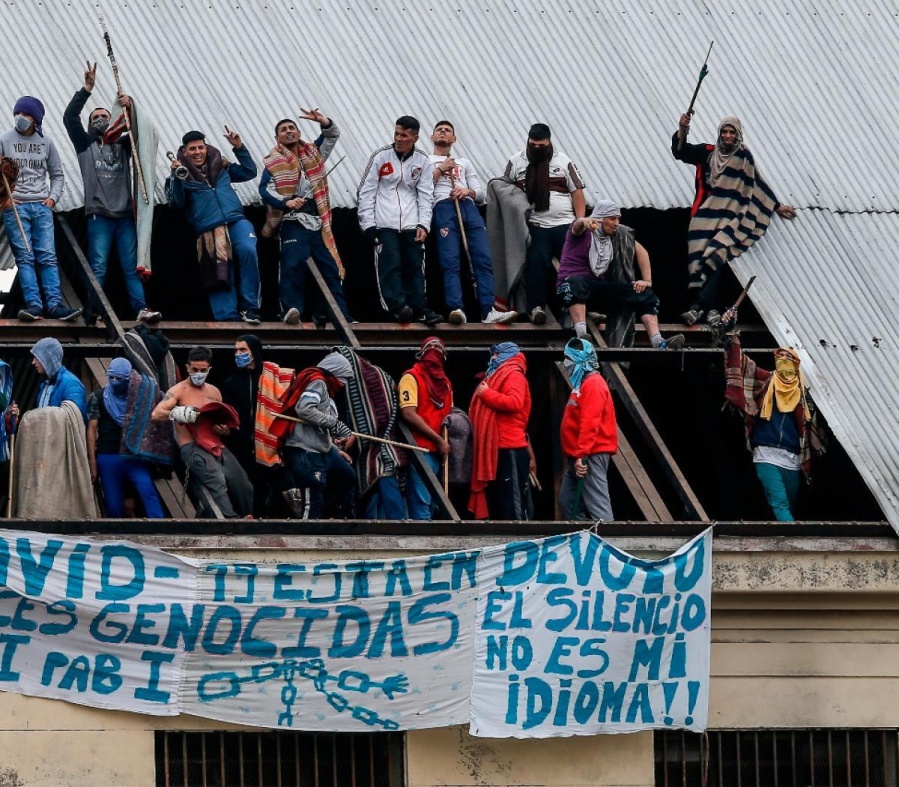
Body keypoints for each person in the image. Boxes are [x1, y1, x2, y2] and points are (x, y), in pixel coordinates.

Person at [673, 114, 796, 326]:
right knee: (699, 260)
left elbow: (756, 182)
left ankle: (698, 308)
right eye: (724, 132)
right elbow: (680, 152)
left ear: (738, 134)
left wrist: (775, 205)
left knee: (718, 254)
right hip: (702, 216)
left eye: (732, 132)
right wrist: (682, 129)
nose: (728, 136)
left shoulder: (743, 156)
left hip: (728, 217)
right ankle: (711, 310)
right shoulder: (707, 152)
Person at [63, 62, 160, 324]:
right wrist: (87, 90)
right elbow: (69, 118)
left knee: (131, 267)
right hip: (99, 215)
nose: (101, 120)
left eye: (104, 116)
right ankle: (93, 311)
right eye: (95, 118)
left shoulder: (123, 143)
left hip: (124, 215)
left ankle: (141, 309)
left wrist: (130, 106)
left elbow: (143, 132)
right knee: (99, 267)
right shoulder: (85, 144)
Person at [722, 310, 824, 521]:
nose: (785, 373)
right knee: (780, 503)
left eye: (789, 368)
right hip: (766, 455)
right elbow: (741, 365)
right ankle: (796, 545)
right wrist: (731, 334)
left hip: (793, 459)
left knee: (787, 505)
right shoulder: (767, 383)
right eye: (781, 367)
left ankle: (786, 535)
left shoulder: (805, 395)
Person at [259, 108, 352, 327]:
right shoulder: (273, 161)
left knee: (329, 267)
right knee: (292, 265)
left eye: (292, 128)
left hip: (317, 221)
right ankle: (291, 311)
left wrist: (324, 121)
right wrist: (287, 202)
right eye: (283, 129)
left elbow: (332, 135)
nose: (289, 132)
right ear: (277, 138)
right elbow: (264, 189)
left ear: (299, 132)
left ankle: (339, 316)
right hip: (293, 221)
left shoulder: (314, 152)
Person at [557, 201, 685, 350]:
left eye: (618, 219)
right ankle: (582, 336)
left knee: (646, 295)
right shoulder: (582, 232)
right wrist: (584, 221)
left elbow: (642, 251)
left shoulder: (616, 236)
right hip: (570, 289)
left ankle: (658, 342)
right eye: (612, 218)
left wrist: (647, 281)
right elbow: (577, 226)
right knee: (576, 283)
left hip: (598, 290)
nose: (616, 223)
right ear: (600, 218)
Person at [166, 129, 261, 324]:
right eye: (192, 149)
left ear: (207, 148)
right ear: (185, 152)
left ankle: (250, 308)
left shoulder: (221, 167)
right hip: (208, 228)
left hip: (236, 220)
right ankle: (227, 318)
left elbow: (250, 171)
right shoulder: (179, 175)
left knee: (248, 250)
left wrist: (239, 147)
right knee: (219, 271)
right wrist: (176, 176)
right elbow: (177, 203)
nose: (198, 152)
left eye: (201, 147)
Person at [0, 96, 81, 322]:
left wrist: (52, 199)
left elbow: (57, 175)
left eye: (26, 115)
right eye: (18, 113)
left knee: (47, 257)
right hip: (17, 207)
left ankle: (55, 305)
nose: (20, 118)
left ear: (35, 119)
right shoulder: (4, 140)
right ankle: (34, 305)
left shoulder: (47, 143)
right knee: (25, 257)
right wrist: (4, 201)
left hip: (42, 207)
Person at [429, 121, 516, 325]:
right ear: (432, 137)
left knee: (483, 259)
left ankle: (488, 310)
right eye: (439, 130)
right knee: (450, 260)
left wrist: (466, 191)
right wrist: (441, 169)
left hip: (467, 207)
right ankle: (456, 307)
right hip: (443, 206)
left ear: (454, 139)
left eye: (448, 130)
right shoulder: (426, 160)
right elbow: (421, 185)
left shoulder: (464, 162)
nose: (443, 132)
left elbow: (480, 194)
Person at [357, 116, 442, 325]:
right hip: (384, 223)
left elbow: (426, 194)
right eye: (396, 133)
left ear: (415, 137)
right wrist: (367, 224)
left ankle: (420, 309)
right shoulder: (380, 156)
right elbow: (365, 192)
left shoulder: (422, 160)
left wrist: (424, 224)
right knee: (390, 264)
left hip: (412, 223)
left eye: (404, 135)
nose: (398, 138)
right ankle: (397, 308)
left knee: (415, 266)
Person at [151, 346, 253, 518]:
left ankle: (247, 516)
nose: (198, 373)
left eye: (203, 370)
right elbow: (156, 413)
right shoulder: (178, 390)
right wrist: (179, 412)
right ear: (187, 368)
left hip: (216, 444)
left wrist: (225, 430)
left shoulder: (214, 392)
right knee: (217, 480)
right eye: (195, 369)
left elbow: (223, 421)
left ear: (209, 370)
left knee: (243, 484)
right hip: (191, 446)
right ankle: (230, 519)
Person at [504, 123, 585, 325]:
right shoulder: (516, 161)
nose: (537, 148)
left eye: (542, 145)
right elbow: (504, 191)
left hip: (565, 224)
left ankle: (579, 308)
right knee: (536, 264)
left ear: (549, 142)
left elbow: (577, 191)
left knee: (575, 267)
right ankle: (536, 308)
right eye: (534, 144)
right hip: (535, 225)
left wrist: (580, 221)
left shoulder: (563, 161)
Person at [271, 352, 357, 519]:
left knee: (348, 477)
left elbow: (317, 424)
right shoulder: (318, 382)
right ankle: (309, 533)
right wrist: (335, 424)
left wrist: (332, 447)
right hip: (305, 448)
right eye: (344, 377)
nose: (343, 383)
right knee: (313, 493)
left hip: (321, 448)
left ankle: (347, 521)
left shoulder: (325, 387)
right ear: (335, 371)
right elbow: (305, 409)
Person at [87, 357, 165, 518]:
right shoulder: (99, 397)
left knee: (148, 492)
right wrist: (92, 460)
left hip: (134, 455)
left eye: (120, 379)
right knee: (113, 503)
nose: (115, 382)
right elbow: (91, 429)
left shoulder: (139, 398)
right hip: (108, 455)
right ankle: (115, 537)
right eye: (112, 377)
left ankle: (161, 531)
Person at [468, 342, 533, 519]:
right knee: (501, 501)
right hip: (499, 448)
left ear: (507, 355)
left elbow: (514, 402)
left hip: (509, 447)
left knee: (512, 503)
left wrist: (486, 394)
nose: (493, 358)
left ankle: (517, 541)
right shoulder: (500, 374)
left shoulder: (514, 375)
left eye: (496, 354)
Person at [558, 338, 617, 521]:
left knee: (597, 504)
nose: (566, 363)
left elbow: (590, 422)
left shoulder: (593, 384)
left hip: (590, 454)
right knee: (567, 501)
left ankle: (609, 543)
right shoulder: (581, 385)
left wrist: (581, 455)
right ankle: (584, 541)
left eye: (568, 358)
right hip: (579, 455)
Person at [399, 337, 453, 520]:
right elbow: (408, 413)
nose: (434, 353)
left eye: (438, 348)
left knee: (433, 503)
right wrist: (439, 440)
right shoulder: (410, 377)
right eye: (431, 348)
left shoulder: (445, 384)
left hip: (438, 453)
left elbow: (448, 416)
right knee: (420, 502)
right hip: (419, 450)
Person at [13, 338, 88, 422]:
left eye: (37, 358)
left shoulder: (71, 383)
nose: (33, 362)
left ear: (48, 358)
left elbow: (75, 420)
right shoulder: (45, 385)